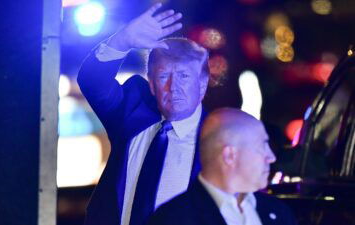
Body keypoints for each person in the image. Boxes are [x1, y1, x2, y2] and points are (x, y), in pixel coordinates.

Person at [77, 3, 209, 225]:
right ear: (150, 83)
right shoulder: (131, 112)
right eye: (163, 76)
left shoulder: (215, 137)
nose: (173, 86)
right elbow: (93, 83)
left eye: (184, 76)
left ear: (203, 84)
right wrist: (121, 42)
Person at [146, 108, 297, 225]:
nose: (271, 157)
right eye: (261, 146)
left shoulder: (278, 212)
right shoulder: (174, 218)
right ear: (230, 155)